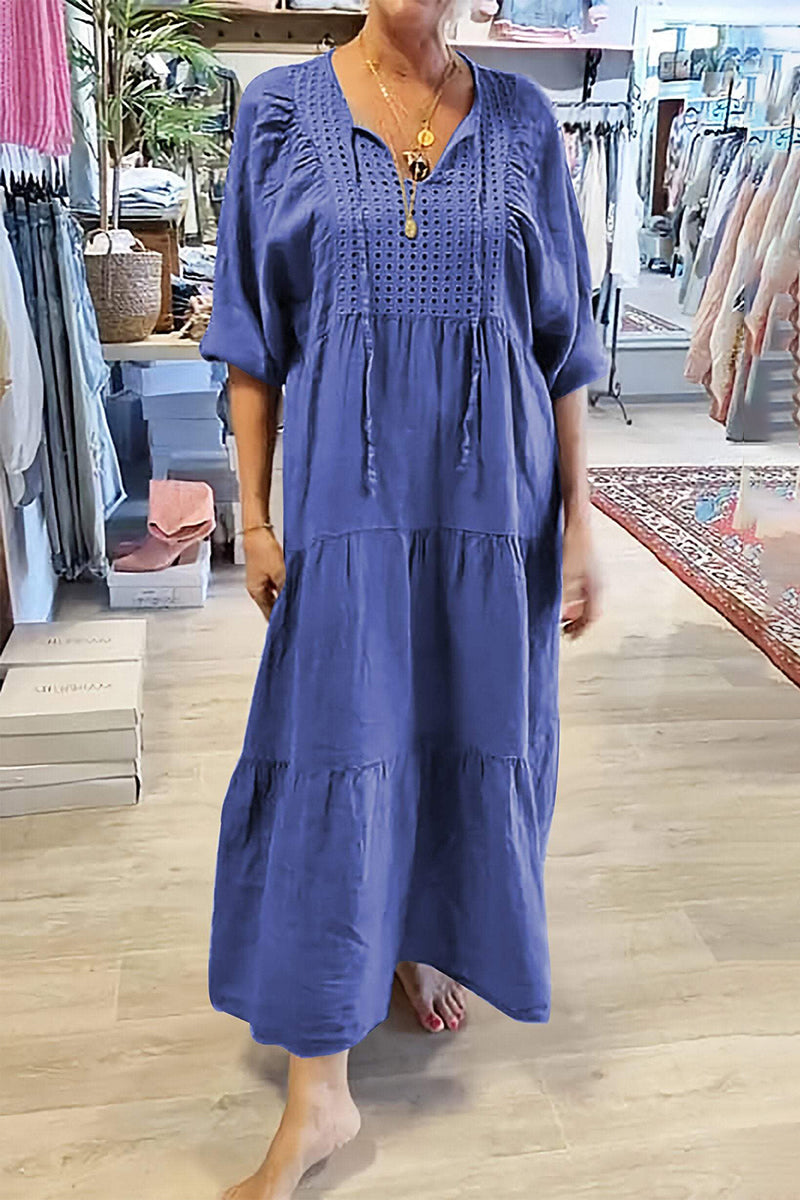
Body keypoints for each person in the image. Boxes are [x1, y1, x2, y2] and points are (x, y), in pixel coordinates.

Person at [199, 0, 606, 1194]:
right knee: (337, 753)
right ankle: (318, 1093)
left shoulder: (523, 121)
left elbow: (561, 342)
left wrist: (582, 520)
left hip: (495, 509)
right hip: (350, 507)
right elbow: (249, 340)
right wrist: (254, 516)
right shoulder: (280, 113)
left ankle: (418, 938)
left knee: (458, 735)